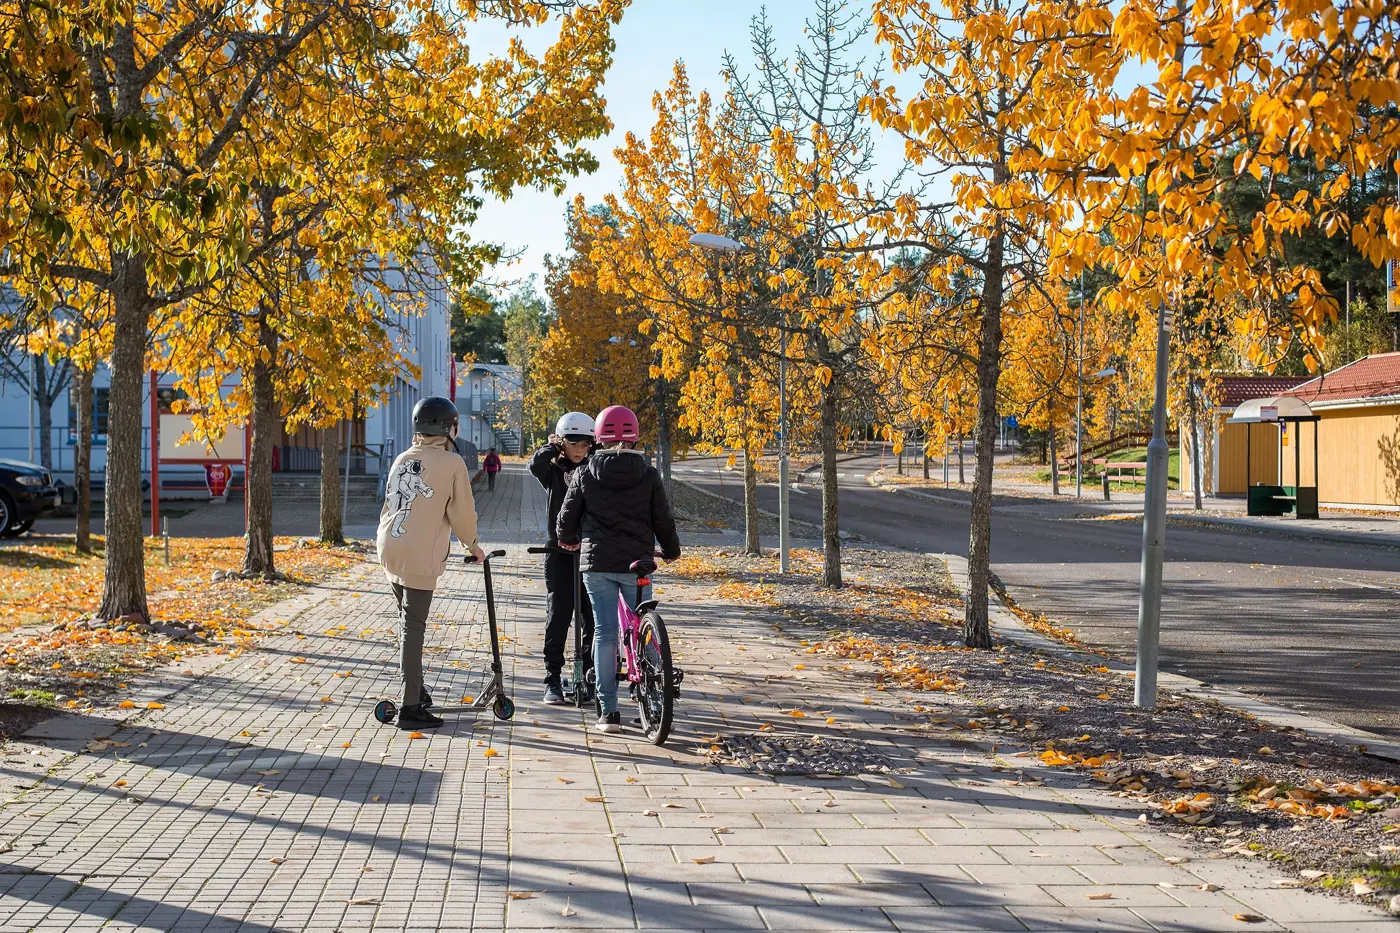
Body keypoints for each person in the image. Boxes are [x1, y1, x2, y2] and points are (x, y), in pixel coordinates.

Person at [556, 405, 681, 734]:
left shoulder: (585, 472)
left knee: (605, 632)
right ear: (635, 436)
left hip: (597, 565)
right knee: (643, 620)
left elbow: (566, 520)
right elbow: (662, 519)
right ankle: (653, 686)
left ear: (598, 437)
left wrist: (569, 541)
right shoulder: (649, 474)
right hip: (637, 562)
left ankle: (608, 713)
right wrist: (670, 550)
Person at [377, 396, 485, 730]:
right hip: (418, 552)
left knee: (405, 622)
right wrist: (474, 546)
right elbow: (462, 514)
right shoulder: (452, 463)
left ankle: (415, 689)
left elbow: (389, 502)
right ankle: (411, 708)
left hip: (389, 543)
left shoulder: (402, 458)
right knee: (413, 628)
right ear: (449, 428)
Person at [529, 412, 597, 705]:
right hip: (557, 551)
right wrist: (552, 446)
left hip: (589, 552)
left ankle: (588, 674)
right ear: (562, 443)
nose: (580, 450)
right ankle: (552, 679)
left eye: (586, 444)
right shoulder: (553, 469)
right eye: (573, 443)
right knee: (558, 615)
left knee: (592, 618)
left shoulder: (596, 468)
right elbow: (535, 464)